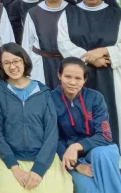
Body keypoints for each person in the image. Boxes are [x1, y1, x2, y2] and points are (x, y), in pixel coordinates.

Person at [0, 43, 72, 193]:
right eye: (6, 63)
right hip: (9, 159)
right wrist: (14, 168)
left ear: (24, 61)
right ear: (1, 66)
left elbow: (51, 132)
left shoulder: (43, 92)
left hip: (43, 158)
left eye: (16, 61)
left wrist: (39, 169)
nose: (12, 66)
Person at [58, 0, 121, 145]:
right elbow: (62, 41)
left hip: (110, 72)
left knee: (112, 114)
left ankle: (113, 154)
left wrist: (104, 51)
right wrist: (90, 58)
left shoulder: (117, 14)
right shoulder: (69, 13)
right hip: (77, 74)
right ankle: (82, 152)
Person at [52, 57, 121, 193]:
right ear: (59, 75)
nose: (72, 82)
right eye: (67, 76)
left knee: (101, 154)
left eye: (78, 78)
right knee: (88, 187)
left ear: (85, 80)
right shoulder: (50, 99)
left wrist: (77, 146)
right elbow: (52, 137)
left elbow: (105, 136)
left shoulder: (95, 98)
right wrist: (77, 165)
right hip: (70, 159)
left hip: (100, 152)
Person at [22, 0, 76, 88]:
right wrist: (25, 68)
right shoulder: (33, 13)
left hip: (68, 62)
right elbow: (27, 43)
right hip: (40, 63)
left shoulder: (73, 11)